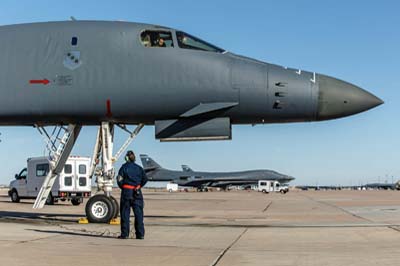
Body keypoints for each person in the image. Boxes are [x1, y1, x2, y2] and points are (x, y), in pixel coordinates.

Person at [117, 150, 148, 239]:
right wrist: (139, 186)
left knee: (125, 213)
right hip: (137, 192)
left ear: (126, 158)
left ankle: (125, 234)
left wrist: (123, 187)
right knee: (139, 214)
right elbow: (145, 179)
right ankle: (140, 234)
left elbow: (119, 179)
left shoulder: (124, 167)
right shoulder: (139, 168)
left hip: (126, 192)